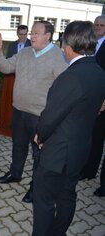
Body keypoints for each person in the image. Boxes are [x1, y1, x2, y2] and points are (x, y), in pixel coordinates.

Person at [32, 20, 105, 236]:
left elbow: (50, 117)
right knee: (67, 195)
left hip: (58, 153)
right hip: (81, 148)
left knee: (44, 200)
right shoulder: (100, 73)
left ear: (68, 45)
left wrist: (40, 136)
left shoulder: (70, 77)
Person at [0, 21, 68, 203]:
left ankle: (37, 187)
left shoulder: (59, 57)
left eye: (36, 33)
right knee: (18, 145)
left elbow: (65, 89)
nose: (32, 36)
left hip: (40, 116)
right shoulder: (25, 52)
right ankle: (15, 173)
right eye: (32, 33)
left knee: (38, 154)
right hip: (18, 110)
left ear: (48, 36)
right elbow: (5, 67)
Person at [80, 15, 105, 197]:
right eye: (96, 25)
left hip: (103, 102)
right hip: (89, 100)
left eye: (102, 25)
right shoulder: (89, 44)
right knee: (92, 139)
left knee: (100, 140)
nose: (98, 28)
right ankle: (89, 171)